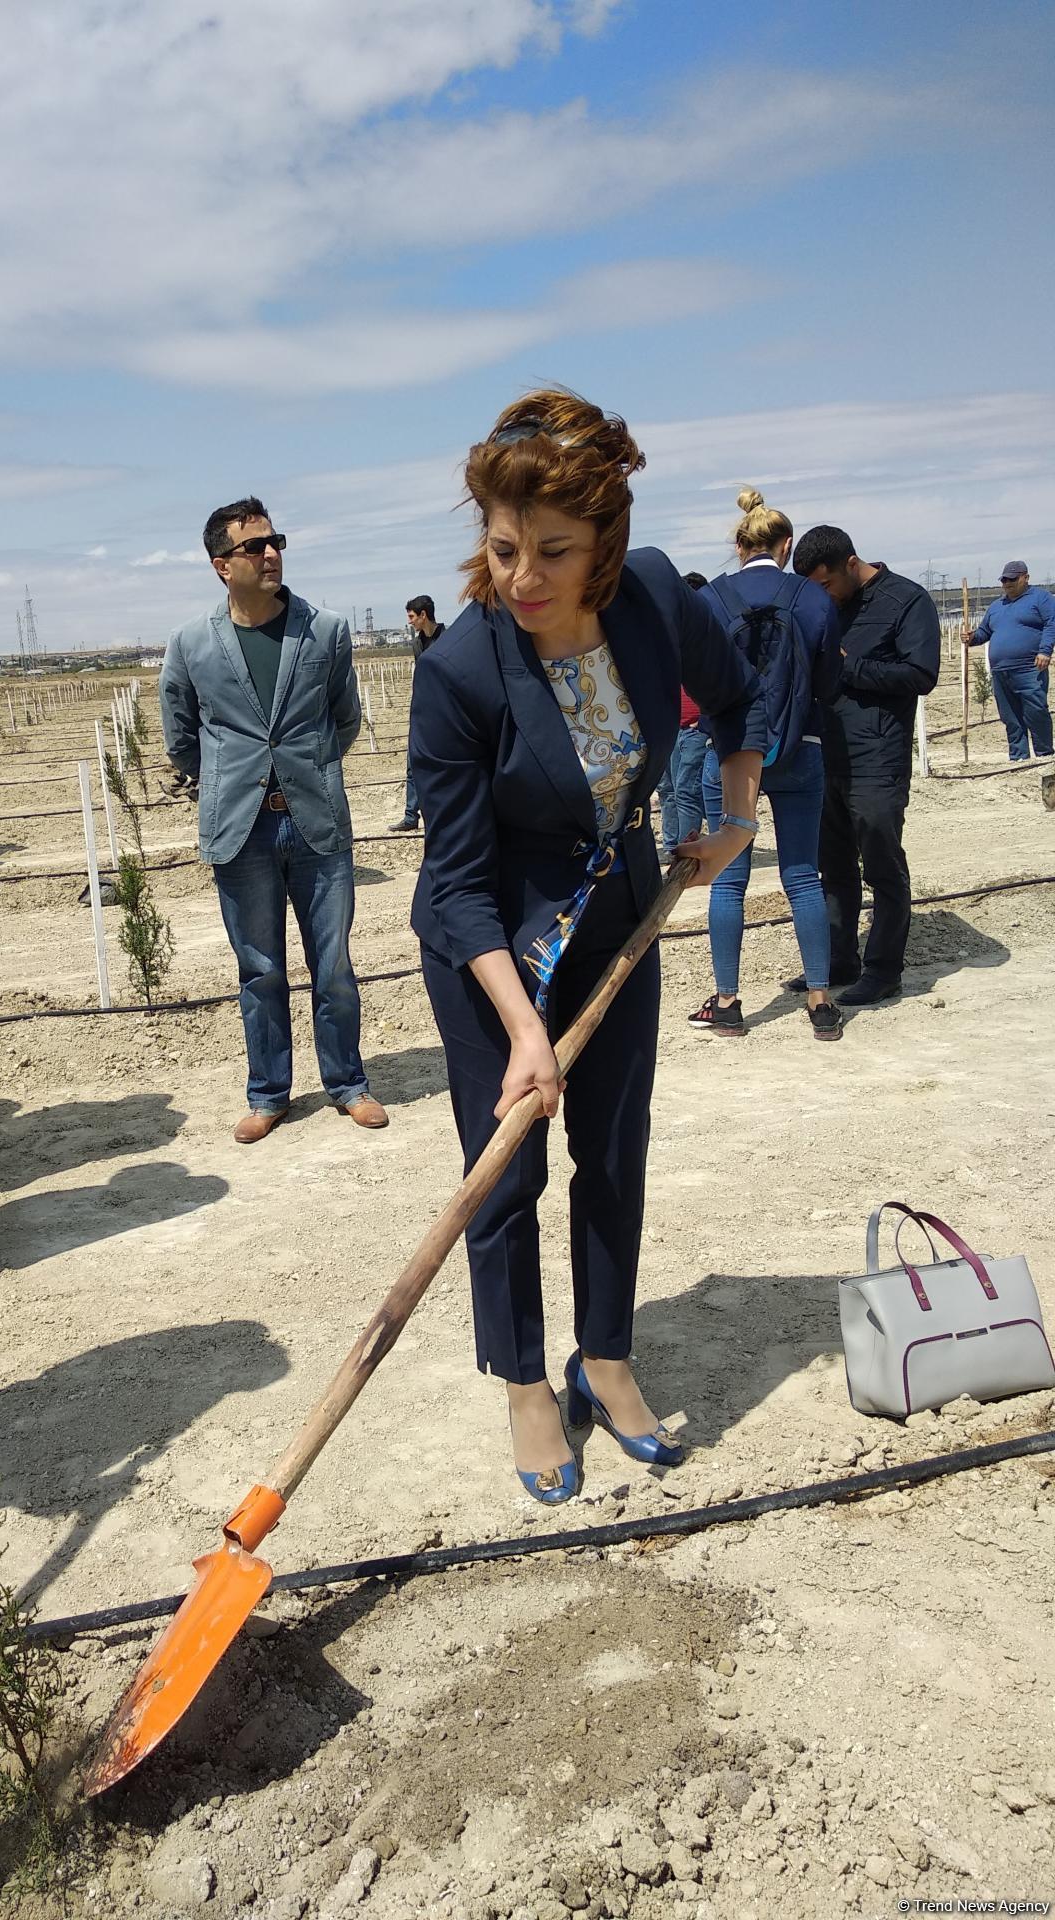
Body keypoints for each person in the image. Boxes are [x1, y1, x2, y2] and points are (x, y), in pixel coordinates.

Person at [410, 390, 764, 1505]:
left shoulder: (653, 597)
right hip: (491, 947)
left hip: (617, 918)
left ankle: (604, 1358)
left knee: (613, 1148)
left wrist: (737, 817)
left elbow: (740, 699)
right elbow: (457, 882)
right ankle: (524, 1382)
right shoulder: (461, 671)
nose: (523, 577)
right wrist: (524, 1030)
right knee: (506, 1171)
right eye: (503, 549)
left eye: (553, 552)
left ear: (604, 544)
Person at [160, 496, 387, 1142]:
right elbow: (181, 737)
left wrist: (307, 771)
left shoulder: (325, 631)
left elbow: (344, 719)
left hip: (316, 821)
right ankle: (269, 1094)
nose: (270, 554)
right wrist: (230, 780)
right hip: (241, 829)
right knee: (259, 971)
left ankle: (348, 1084)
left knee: (333, 965)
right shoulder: (191, 643)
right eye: (254, 546)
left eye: (275, 541)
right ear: (221, 565)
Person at [687, 491, 844, 1040]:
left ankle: (728, 1003)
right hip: (800, 748)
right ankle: (820, 1002)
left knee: (729, 881)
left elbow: (695, 681)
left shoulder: (710, 598)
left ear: (738, 546)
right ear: (787, 546)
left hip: (730, 752)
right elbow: (828, 681)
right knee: (801, 875)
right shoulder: (813, 598)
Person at [791, 526, 940, 1005]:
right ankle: (839, 960)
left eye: (827, 584)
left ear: (851, 564)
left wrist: (848, 665)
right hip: (826, 754)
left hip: (877, 757)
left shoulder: (907, 602)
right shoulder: (826, 608)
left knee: (881, 863)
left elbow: (921, 674)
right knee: (833, 867)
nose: (823, 595)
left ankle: (883, 970)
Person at [965, 562, 1054, 761]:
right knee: (1010, 716)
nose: (1008, 583)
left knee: (1036, 710)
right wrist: (972, 638)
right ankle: (1018, 756)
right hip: (1000, 671)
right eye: (1004, 580)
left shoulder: (1041, 598)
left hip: (1029, 668)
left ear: (1026, 578)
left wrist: (1045, 651)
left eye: (1012, 579)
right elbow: (984, 632)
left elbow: (1051, 624)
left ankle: (1045, 754)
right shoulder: (996, 606)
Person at [654, 571, 709, 858]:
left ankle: (685, 853)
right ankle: (671, 848)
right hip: (670, 727)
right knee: (668, 789)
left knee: (686, 790)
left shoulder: (707, 636)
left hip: (695, 727)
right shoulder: (668, 635)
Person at [388, 596, 445, 832]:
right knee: (413, 763)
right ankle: (411, 816)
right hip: (421, 710)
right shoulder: (416, 644)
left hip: (444, 714)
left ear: (423, 615)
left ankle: (440, 814)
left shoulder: (448, 639)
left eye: (412, 616)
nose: (410, 621)